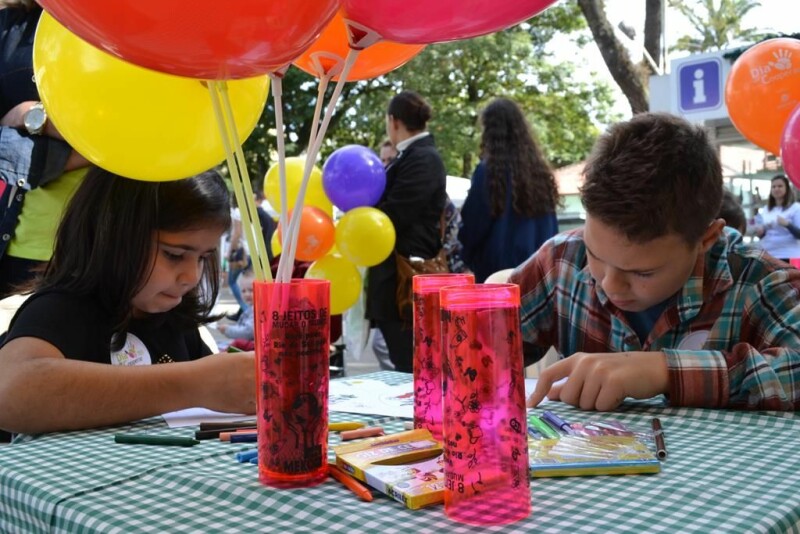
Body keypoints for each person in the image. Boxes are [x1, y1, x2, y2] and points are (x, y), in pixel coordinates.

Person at [518, 113, 800, 412]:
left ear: (706, 239)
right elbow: (478, 346)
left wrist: (665, 371)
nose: (609, 284)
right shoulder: (560, 261)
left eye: (643, 272)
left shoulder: (759, 281)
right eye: (596, 255)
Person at [0, 168, 255, 434]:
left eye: (203, 258)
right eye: (174, 255)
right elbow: (8, 391)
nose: (192, 276)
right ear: (113, 235)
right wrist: (194, 384)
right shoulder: (63, 308)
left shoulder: (174, 321)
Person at [0, 0, 90, 298]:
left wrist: (36, 118)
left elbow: (141, 128)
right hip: (14, 249)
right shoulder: (11, 26)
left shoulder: (128, 29)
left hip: (102, 247)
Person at [365, 91, 447, 373]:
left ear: (393, 121)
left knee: (410, 367)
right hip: (399, 281)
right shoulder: (415, 156)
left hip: (406, 282)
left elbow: (396, 215)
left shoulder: (422, 158)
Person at [459, 97, 559, 283]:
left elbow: (473, 226)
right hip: (539, 272)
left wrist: (465, 256)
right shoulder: (540, 173)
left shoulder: (487, 172)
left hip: (498, 276)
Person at [752, 174, 800, 263]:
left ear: (787, 189)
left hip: (788, 255)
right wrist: (760, 232)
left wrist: (787, 224)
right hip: (768, 255)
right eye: (773, 187)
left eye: (780, 186)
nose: (776, 189)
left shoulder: (796, 208)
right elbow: (763, 234)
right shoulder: (766, 209)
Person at [217, 269, 255, 351]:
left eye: (251, 290)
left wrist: (228, 330)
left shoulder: (256, 310)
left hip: (249, 349)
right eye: (243, 291)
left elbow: (247, 332)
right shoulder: (251, 308)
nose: (247, 294)